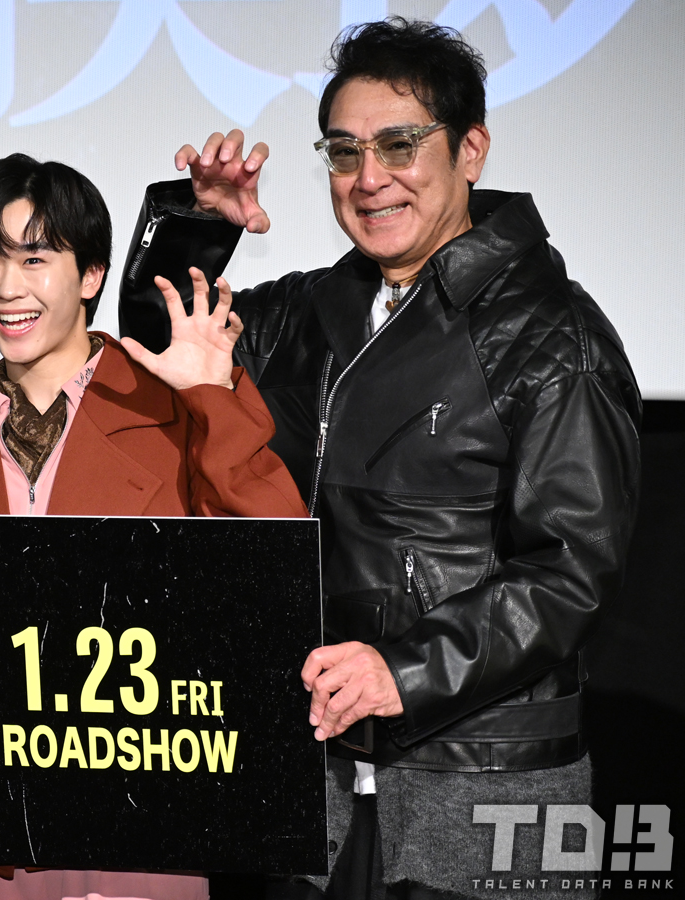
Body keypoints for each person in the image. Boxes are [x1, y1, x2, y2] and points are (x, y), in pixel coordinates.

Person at [147, 18, 641, 900]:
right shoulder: (315, 309)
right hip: (321, 765)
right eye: (344, 152)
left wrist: (401, 672)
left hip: (481, 774)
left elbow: (570, 573)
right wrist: (200, 230)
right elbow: (163, 347)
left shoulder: (551, 335)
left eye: (399, 146)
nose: (368, 177)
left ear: (470, 150)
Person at [0, 153, 307, 900]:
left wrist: (213, 398)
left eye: (34, 259)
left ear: (91, 275)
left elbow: (277, 571)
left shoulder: (179, 406)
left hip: (146, 817)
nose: (7, 288)